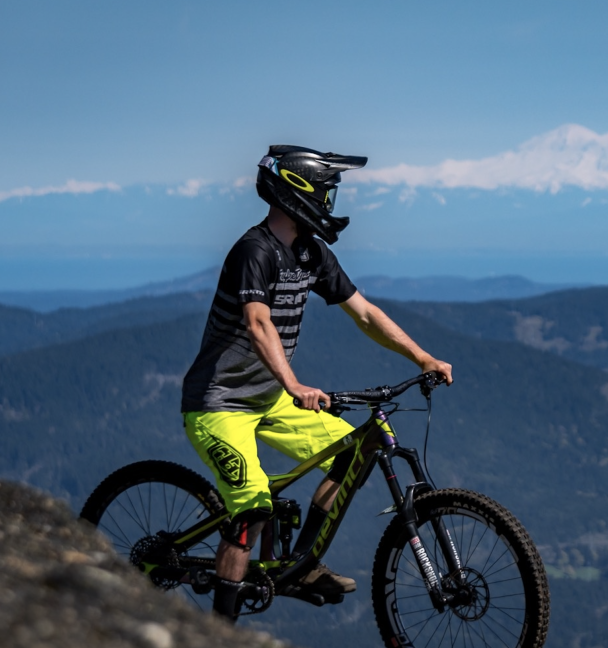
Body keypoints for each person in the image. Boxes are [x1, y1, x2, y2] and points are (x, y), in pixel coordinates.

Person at [180, 145, 453, 621]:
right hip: (218, 406)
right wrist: (293, 384)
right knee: (252, 509)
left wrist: (422, 356)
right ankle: (217, 635)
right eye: (326, 192)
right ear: (298, 193)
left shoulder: (310, 252)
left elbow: (364, 313)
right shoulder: (254, 251)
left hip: (270, 400)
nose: (331, 202)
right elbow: (258, 324)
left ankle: (303, 563)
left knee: (354, 450)